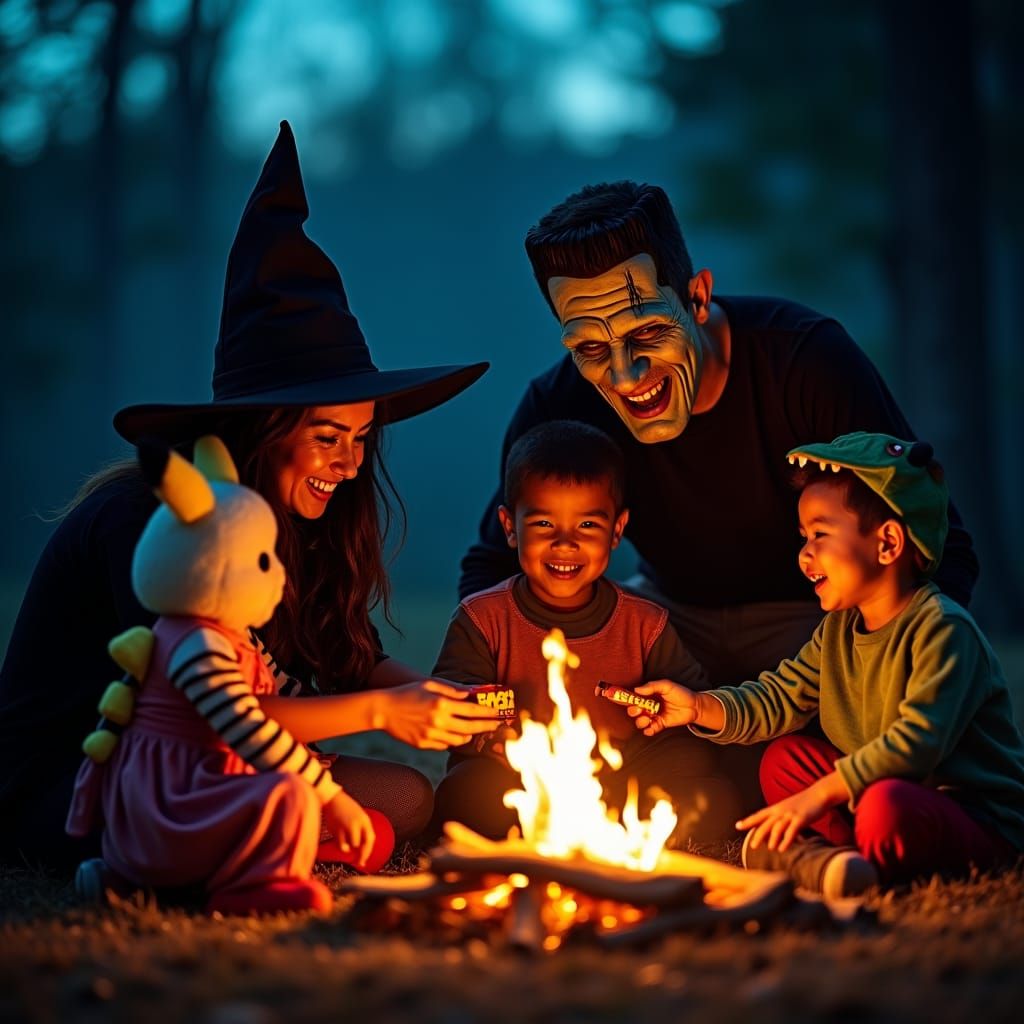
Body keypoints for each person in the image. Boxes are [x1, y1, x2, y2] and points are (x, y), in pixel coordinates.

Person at [0, 121, 497, 872]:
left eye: (362, 438)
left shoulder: (291, 523)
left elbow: (347, 656)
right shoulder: (163, 526)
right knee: (352, 809)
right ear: (264, 429)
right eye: (327, 436)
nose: (351, 464)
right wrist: (381, 715)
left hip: (218, 765)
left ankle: (268, 836)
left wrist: (442, 700)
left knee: (406, 800)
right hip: (89, 779)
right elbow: (206, 714)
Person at [459, 181, 979, 690]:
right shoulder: (561, 404)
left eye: (646, 332)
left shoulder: (804, 362)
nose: (625, 375)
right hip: (664, 622)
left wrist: (900, 667)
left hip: (817, 619)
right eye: (591, 348)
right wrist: (498, 686)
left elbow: (934, 538)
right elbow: (494, 562)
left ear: (697, 297)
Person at [627, 432, 1024, 897]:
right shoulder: (838, 631)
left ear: (888, 543)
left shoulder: (943, 630)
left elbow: (918, 744)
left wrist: (818, 797)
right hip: (875, 793)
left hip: (969, 815)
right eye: (803, 537)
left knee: (884, 804)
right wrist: (697, 707)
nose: (804, 553)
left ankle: (841, 857)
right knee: (784, 760)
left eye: (820, 534)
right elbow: (778, 697)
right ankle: (844, 860)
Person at [69, 437, 395, 914]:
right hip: (173, 804)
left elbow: (352, 659)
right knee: (290, 793)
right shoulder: (196, 646)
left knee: (374, 821)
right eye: (262, 562)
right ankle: (249, 886)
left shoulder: (217, 635)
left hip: (195, 793)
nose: (277, 576)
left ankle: (135, 882)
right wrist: (332, 798)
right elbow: (249, 729)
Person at [431, 419, 744, 844]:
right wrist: (491, 736)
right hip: (523, 782)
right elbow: (449, 706)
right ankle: (566, 829)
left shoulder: (644, 623)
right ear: (509, 526)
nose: (564, 543)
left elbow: (689, 702)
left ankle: (604, 828)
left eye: (587, 526)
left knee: (707, 785)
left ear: (617, 530)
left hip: (621, 778)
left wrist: (659, 714)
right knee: (464, 793)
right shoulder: (483, 618)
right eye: (543, 525)